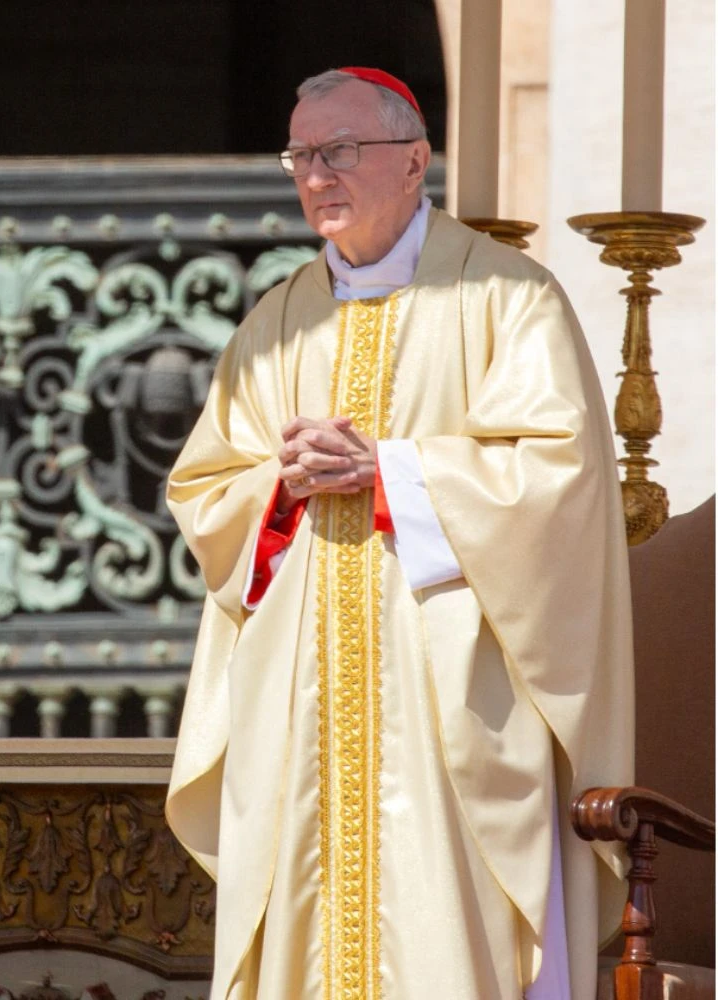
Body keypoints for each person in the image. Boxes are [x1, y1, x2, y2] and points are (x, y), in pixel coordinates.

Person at [164, 67, 631, 1000]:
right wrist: (283, 483)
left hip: (450, 703)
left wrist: (393, 471)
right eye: (300, 156)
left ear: (414, 161)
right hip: (301, 708)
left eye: (339, 151)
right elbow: (207, 490)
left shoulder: (509, 299)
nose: (315, 176)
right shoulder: (273, 325)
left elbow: (561, 482)